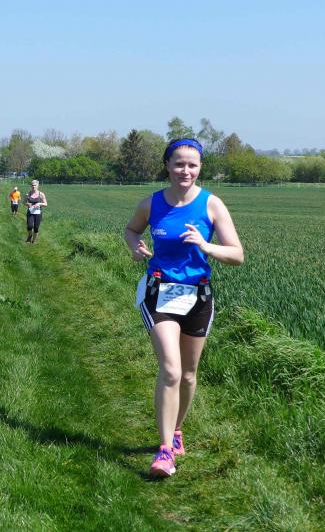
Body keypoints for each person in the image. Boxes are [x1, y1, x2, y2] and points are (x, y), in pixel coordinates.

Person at [124, 138, 244, 478]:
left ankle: (176, 430)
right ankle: (165, 451)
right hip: (159, 292)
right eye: (179, 164)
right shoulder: (151, 204)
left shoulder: (212, 205)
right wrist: (135, 246)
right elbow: (131, 230)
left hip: (198, 297)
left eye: (192, 165)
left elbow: (237, 255)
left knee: (189, 374)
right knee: (172, 370)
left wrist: (206, 245)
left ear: (200, 167)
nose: (185, 170)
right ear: (167, 165)